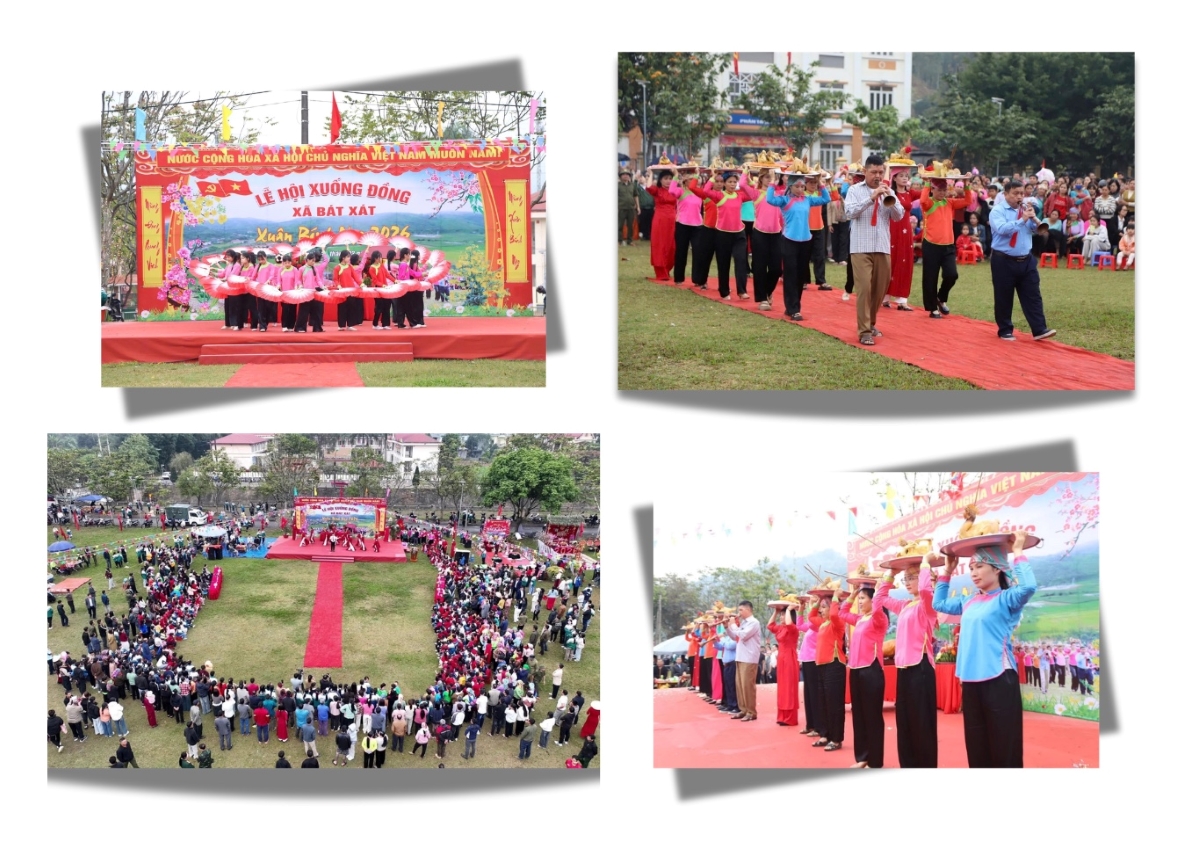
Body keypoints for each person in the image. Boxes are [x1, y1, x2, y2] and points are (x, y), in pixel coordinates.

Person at [933, 532, 1037, 767]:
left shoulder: (1007, 598)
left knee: (1004, 746)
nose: (973, 573)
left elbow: (1028, 586)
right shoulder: (968, 601)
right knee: (977, 745)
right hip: (971, 682)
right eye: (971, 568)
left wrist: (1018, 551)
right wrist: (947, 571)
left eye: (979, 566)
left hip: (999, 678)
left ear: (997, 568)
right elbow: (938, 604)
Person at [874, 560, 939, 768]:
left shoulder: (928, 604)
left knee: (922, 724)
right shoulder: (904, 606)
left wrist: (925, 564)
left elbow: (925, 590)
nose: (908, 582)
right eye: (906, 578)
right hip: (903, 670)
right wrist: (891, 574)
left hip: (921, 668)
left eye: (913, 577)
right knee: (905, 723)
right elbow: (880, 598)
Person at [844, 155, 905, 345]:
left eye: (880, 172)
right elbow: (849, 212)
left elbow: (899, 216)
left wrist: (889, 198)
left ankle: (870, 323)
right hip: (860, 247)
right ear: (865, 172)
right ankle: (864, 332)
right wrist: (872, 198)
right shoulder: (854, 190)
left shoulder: (889, 191)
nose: (877, 176)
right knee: (864, 288)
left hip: (882, 246)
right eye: (874, 172)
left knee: (879, 290)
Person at [989, 180, 1056, 342]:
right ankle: (1005, 329)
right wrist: (1022, 219)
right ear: (1005, 194)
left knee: (1033, 294)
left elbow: (1034, 231)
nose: (1019, 197)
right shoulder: (997, 211)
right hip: (1003, 260)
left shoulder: (1024, 209)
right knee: (1004, 296)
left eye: (1021, 193)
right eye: (1015, 193)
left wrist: (1034, 221)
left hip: (1026, 259)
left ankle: (1039, 329)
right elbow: (1003, 230)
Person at [766, 171, 829, 320]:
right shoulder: (784, 200)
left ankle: (794, 306)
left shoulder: (807, 200)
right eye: (797, 186)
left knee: (801, 276)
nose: (800, 189)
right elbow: (769, 199)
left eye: (802, 186)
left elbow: (826, 198)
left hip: (805, 241)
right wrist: (773, 182)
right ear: (790, 186)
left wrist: (820, 183)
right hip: (789, 240)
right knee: (790, 275)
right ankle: (793, 308)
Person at [841, 586, 889, 769]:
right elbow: (843, 613)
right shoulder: (859, 619)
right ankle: (862, 757)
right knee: (859, 716)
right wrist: (852, 595)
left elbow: (877, 608)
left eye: (863, 598)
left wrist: (878, 590)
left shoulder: (879, 619)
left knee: (872, 717)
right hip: (855, 670)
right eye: (859, 599)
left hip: (871, 670)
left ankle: (875, 762)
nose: (860, 602)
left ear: (872, 600)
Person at [688, 170, 754, 300]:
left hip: (739, 234)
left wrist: (748, 179)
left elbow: (752, 193)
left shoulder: (739, 195)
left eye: (734, 182)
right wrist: (713, 177)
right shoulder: (718, 195)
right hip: (723, 234)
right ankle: (724, 291)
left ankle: (742, 291)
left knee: (741, 261)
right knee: (723, 264)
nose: (732, 184)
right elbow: (705, 190)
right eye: (729, 182)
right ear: (724, 183)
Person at [919, 177, 973, 318]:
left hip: (948, 246)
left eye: (944, 190)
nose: (942, 193)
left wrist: (966, 185)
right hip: (931, 244)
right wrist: (927, 183)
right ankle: (933, 308)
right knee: (930, 277)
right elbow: (922, 201)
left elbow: (968, 201)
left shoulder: (949, 202)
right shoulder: (929, 203)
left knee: (952, 274)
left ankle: (941, 298)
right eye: (939, 190)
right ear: (933, 190)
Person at [808, 592, 847, 752]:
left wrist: (835, 597)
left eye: (824, 607)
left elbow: (834, 614)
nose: (821, 610)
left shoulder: (837, 622)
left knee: (834, 704)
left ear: (832, 607)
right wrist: (817, 602)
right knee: (823, 702)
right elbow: (811, 617)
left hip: (834, 665)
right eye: (821, 607)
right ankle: (825, 735)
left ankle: (836, 739)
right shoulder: (823, 624)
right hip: (821, 666)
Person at [741, 169, 783, 309]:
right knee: (759, 267)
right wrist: (745, 171)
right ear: (761, 179)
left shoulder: (779, 194)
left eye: (771, 177)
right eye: (766, 177)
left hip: (776, 234)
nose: (769, 179)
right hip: (760, 233)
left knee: (776, 269)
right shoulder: (756, 193)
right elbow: (742, 184)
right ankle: (762, 299)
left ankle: (768, 291)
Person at [882, 168, 916, 310]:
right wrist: (888, 167)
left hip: (906, 231)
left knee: (905, 261)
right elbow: (883, 185)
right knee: (891, 260)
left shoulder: (910, 193)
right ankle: (885, 297)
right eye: (901, 176)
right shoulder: (890, 192)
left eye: (906, 176)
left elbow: (927, 193)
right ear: (894, 178)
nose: (904, 178)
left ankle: (902, 300)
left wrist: (926, 175)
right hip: (892, 229)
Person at [723, 599, 762, 721]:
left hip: (749, 658)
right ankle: (743, 709)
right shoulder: (744, 623)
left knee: (747, 685)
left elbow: (744, 635)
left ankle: (751, 712)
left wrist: (733, 624)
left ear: (748, 609)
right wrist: (727, 627)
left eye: (741, 610)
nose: (739, 613)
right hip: (740, 657)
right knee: (739, 685)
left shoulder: (754, 622)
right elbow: (735, 636)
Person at [766, 603, 800, 726]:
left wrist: (789, 609)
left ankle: (790, 718)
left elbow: (789, 624)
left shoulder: (793, 629)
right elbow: (770, 625)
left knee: (789, 688)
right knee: (782, 688)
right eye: (781, 615)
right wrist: (776, 612)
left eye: (783, 615)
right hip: (781, 659)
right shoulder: (780, 628)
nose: (781, 617)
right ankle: (782, 716)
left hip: (790, 659)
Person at [669, 168, 704, 286]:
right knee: (681, 252)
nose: (695, 181)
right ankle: (679, 278)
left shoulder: (699, 192)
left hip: (697, 226)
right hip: (682, 224)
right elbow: (671, 191)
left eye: (696, 179)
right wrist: (675, 175)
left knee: (698, 252)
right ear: (685, 181)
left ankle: (697, 279)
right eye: (691, 179)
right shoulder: (681, 191)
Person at [645, 171, 678, 281]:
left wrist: (676, 174)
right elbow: (648, 187)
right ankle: (660, 272)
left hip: (673, 220)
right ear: (660, 180)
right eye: (665, 178)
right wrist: (651, 173)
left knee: (671, 246)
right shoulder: (657, 190)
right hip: (660, 220)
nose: (668, 181)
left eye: (670, 178)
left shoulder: (675, 191)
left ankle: (667, 269)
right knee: (660, 245)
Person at [618, 170, 639, 246]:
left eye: (627, 174)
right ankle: (619, 240)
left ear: (629, 176)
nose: (625, 176)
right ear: (620, 176)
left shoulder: (632, 185)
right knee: (619, 225)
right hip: (621, 208)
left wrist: (638, 206)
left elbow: (635, 196)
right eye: (623, 174)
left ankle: (630, 240)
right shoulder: (617, 185)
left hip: (631, 208)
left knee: (630, 225)